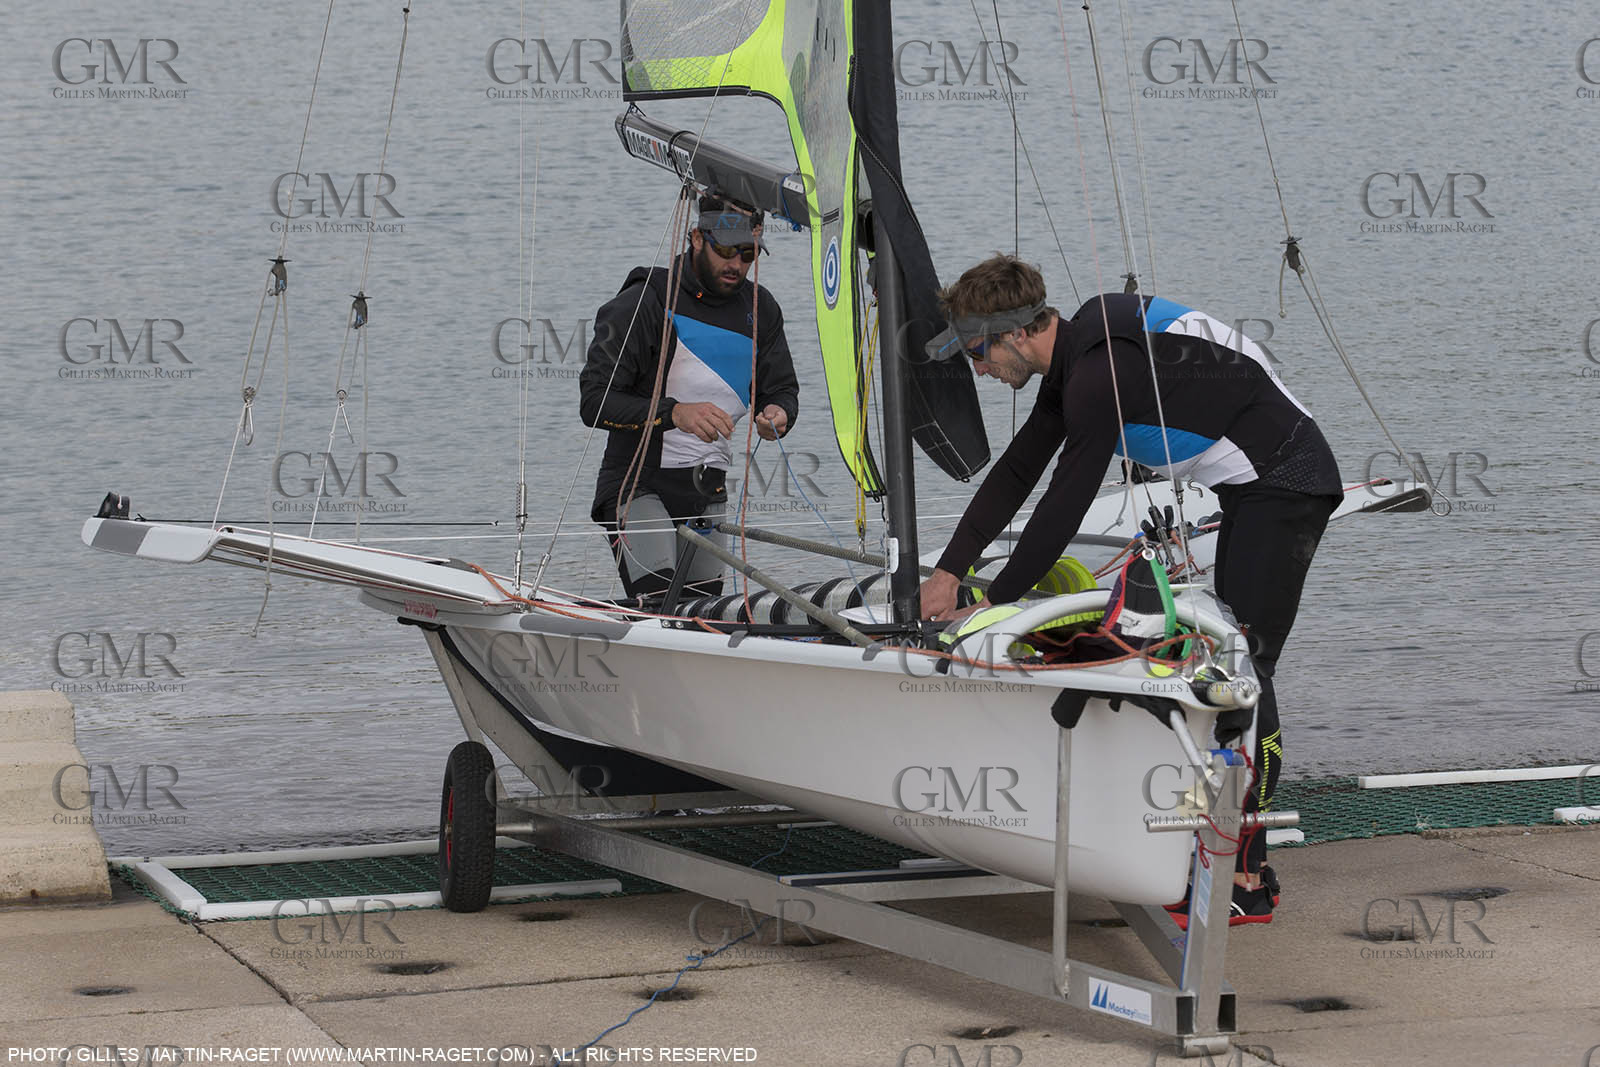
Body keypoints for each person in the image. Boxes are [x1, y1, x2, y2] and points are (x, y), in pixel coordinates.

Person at [918, 254, 1342, 926]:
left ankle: (1248, 876)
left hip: (1287, 481)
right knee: (1227, 662)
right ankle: (1225, 855)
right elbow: (1020, 468)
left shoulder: (1097, 373)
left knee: (1244, 671)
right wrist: (949, 570)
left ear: (1017, 334)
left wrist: (996, 601)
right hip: (1253, 490)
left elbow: (1062, 506)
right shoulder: (1079, 357)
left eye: (977, 351)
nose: (978, 368)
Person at [579, 195, 799, 600]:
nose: (736, 263)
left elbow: (782, 387)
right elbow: (595, 401)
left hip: (707, 492)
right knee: (661, 606)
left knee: (704, 615)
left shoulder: (761, 308)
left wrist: (778, 413)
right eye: (725, 249)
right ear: (697, 238)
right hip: (638, 486)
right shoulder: (646, 299)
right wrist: (674, 413)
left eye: (747, 253)